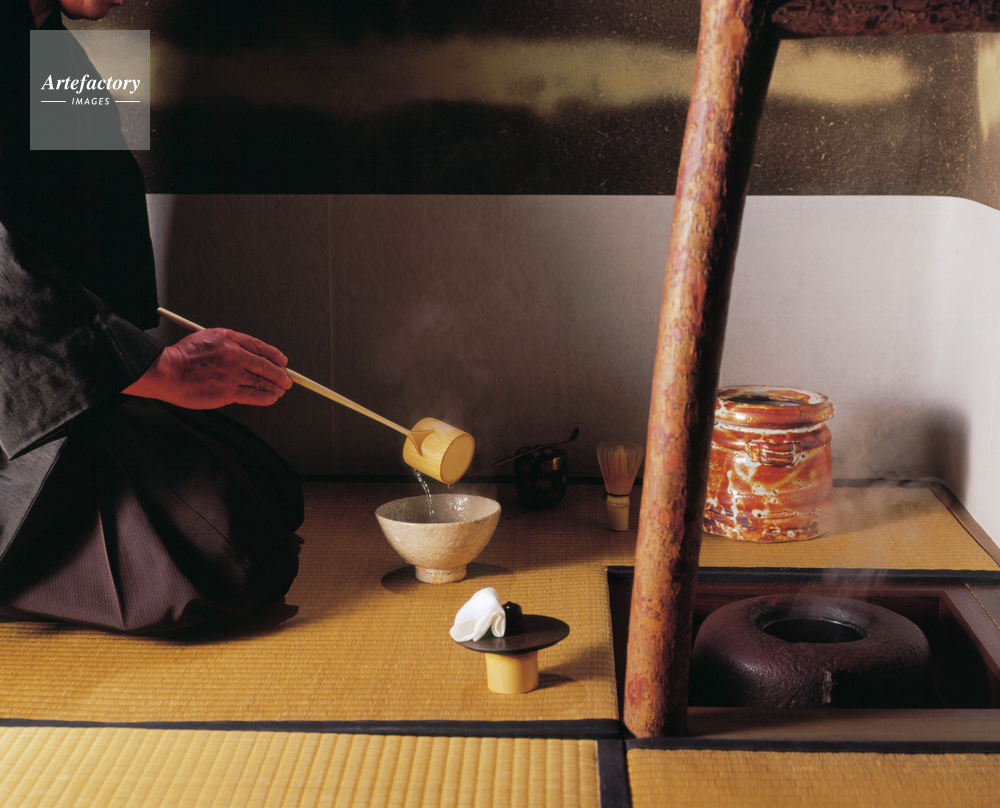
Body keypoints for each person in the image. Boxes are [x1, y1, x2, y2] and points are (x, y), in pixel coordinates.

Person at [0, 0, 304, 633]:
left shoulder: (48, 47)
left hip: (50, 388)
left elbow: (95, 224)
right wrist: (160, 372)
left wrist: (131, 359)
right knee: (224, 557)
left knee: (268, 486)